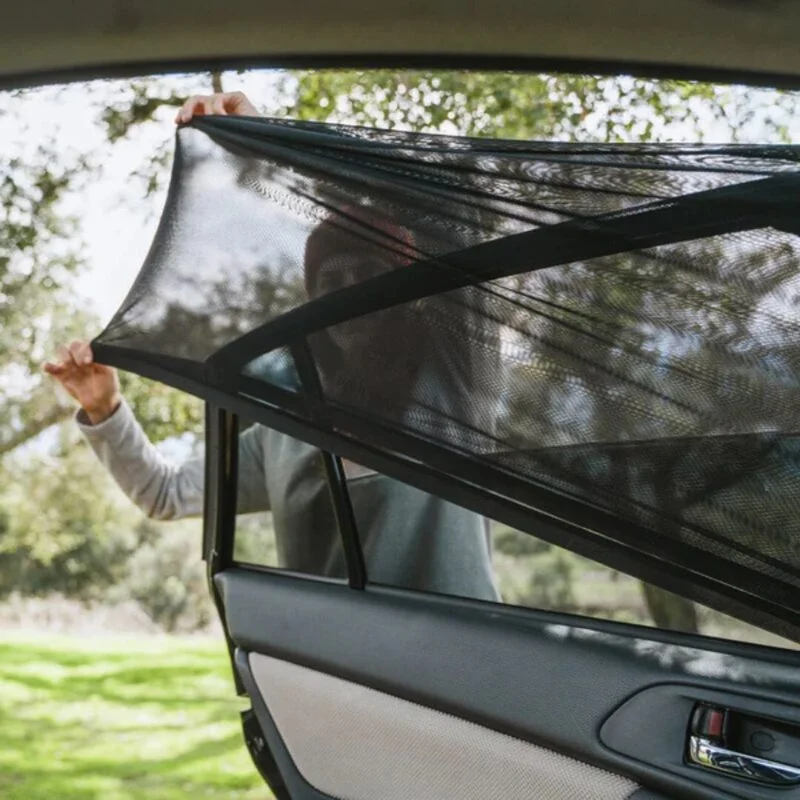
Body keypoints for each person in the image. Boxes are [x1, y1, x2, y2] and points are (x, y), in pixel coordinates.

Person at [45, 91, 499, 601]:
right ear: (314, 310)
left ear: (404, 292)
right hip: (339, 673)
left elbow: (460, 213)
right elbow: (165, 494)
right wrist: (104, 409)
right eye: (333, 282)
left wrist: (280, 151)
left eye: (370, 276)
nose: (352, 295)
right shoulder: (283, 434)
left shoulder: (459, 382)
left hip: (459, 671)